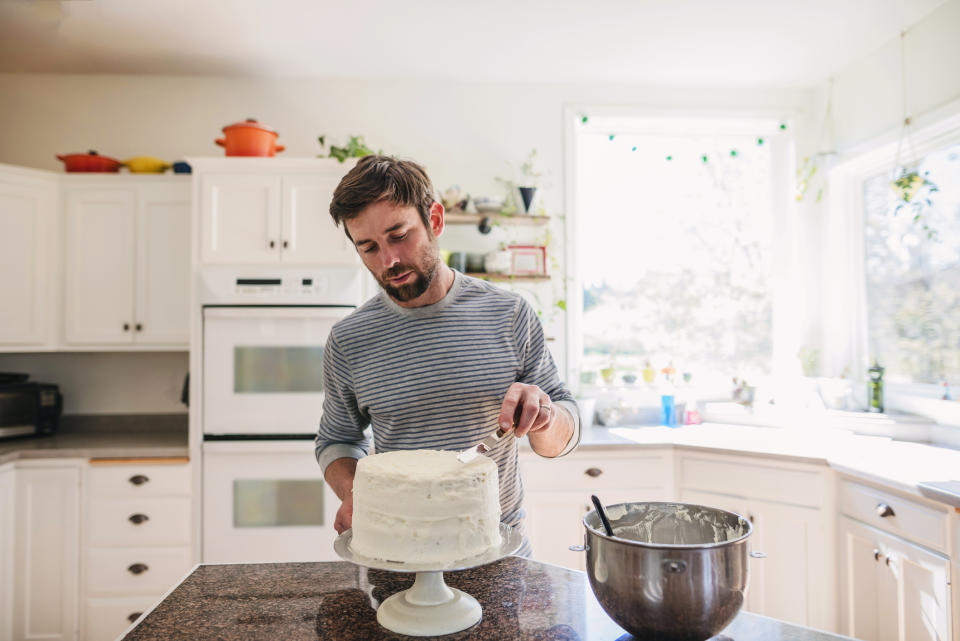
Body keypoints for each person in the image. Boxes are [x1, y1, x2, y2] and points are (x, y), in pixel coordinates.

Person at [314, 155, 580, 556]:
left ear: (435, 221)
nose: (388, 261)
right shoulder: (349, 340)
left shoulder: (509, 315)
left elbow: (560, 437)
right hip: (397, 554)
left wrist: (545, 416)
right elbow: (336, 440)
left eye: (399, 235)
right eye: (368, 248)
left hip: (498, 552)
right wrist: (357, 494)